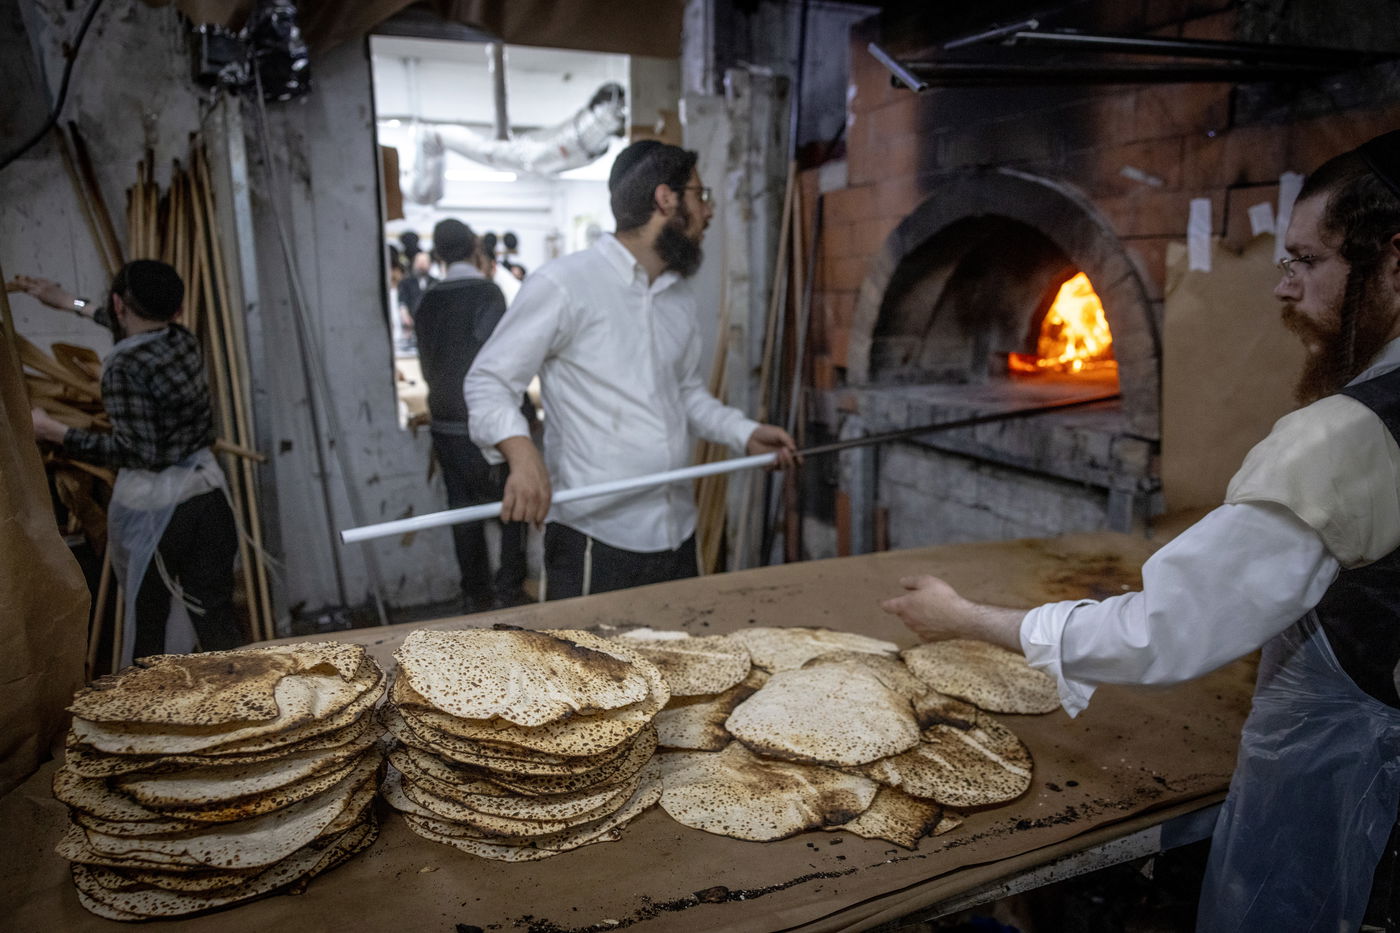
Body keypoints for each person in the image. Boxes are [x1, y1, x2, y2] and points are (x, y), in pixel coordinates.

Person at [879, 129, 1400, 931]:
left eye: (1306, 260)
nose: (1282, 287)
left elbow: (1164, 629)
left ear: (1394, 262)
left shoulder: (1345, 438)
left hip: (1346, 788)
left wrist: (967, 620)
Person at [465, 139, 798, 600]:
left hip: (677, 533)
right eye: (700, 196)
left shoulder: (678, 296)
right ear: (666, 199)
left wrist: (744, 432)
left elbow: (685, 394)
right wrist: (521, 454)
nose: (709, 211)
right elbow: (489, 381)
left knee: (684, 669)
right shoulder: (564, 284)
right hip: (595, 540)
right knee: (587, 674)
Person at [21, 261, 242, 663]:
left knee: (149, 631)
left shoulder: (123, 367)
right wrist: (67, 301)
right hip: (209, 500)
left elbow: (140, 453)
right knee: (216, 622)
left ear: (121, 304)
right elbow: (127, 320)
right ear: (176, 311)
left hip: (159, 515)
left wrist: (55, 432)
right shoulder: (182, 338)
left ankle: (152, 717)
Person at [414, 218, 530, 612]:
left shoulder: (427, 299)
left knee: (463, 513)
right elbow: (503, 362)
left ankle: (475, 597)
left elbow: (428, 364)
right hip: (486, 425)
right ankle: (510, 591)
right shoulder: (487, 293)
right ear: (474, 248)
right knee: (512, 506)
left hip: (445, 424)